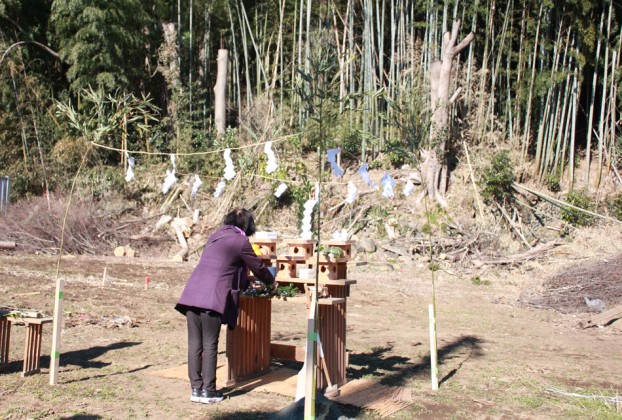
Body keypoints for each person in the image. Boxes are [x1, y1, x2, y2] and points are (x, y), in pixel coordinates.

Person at [175, 208, 275, 404]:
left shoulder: (215, 237)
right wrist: (271, 281)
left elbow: (226, 267)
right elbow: (257, 267)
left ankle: (196, 389)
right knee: (210, 344)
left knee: (195, 343)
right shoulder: (240, 241)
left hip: (192, 294)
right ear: (247, 225)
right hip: (212, 298)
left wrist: (245, 282)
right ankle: (209, 392)